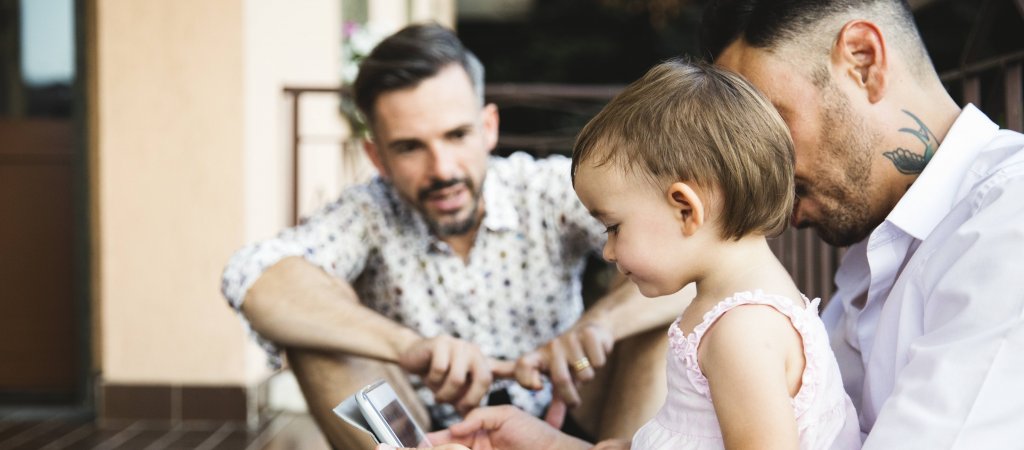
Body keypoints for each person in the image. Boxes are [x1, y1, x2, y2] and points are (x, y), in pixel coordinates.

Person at [219, 23, 691, 449]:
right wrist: (408, 347)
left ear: (488, 128)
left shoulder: (544, 190)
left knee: (654, 317)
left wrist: (600, 325)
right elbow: (252, 277)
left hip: (571, 410)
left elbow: (682, 246)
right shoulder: (366, 213)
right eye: (409, 148)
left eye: (456, 135)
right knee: (315, 335)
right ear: (377, 156)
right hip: (425, 435)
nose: (442, 169)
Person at [386, 59, 862, 450]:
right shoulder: (746, 308)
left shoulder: (741, 332)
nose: (609, 251)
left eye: (613, 227)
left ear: (685, 208)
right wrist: (547, 444)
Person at [700, 0, 1024, 447]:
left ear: (863, 61)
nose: (759, 182)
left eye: (769, 135)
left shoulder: (1010, 218)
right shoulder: (873, 259)